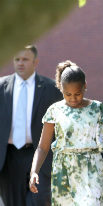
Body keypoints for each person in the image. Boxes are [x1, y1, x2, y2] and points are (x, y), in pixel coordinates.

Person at [29, 60, 103, 205]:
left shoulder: (97, 109)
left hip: (92, 170)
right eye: (68, 94)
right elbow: (42, 147)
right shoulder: (54, 111)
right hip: (63, 173)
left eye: (77, 93)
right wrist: (34, 172)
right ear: (61, 89)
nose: (73, 99)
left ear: (85, 87)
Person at [0, 45, 62, 206]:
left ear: (35, 62)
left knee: (40, 201)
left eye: (25, 59)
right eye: (17, 59)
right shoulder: (1, 87)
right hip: (9, 157)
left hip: (40, 155)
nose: (20, 63)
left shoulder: (51, 89)